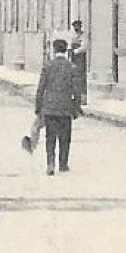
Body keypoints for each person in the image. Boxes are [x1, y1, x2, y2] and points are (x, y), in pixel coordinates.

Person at [34, 38, 82, 176]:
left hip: (49, 108)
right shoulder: (72, 67)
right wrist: (76, 108)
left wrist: (38, 107)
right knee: (65, 137)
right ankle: (63, 164)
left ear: (54, 50)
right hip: (65, 108)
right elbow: (76, 90)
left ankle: (50, 163)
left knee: (50, 137)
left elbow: (40, 88)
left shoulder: (48, 66)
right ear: (66, 50)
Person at [69, 21, 89, 106]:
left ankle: (83, 99)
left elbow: (84, 47)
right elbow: (70, 45)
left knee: (81, 78)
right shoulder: (73, 36)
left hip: (81, 59)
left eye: (77, 27)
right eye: (75, 27)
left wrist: (76, 51)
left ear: (80, 27)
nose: (76, 28)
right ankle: (76, 97)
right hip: (74, 59)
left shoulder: (84, 36)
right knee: (74, 77)